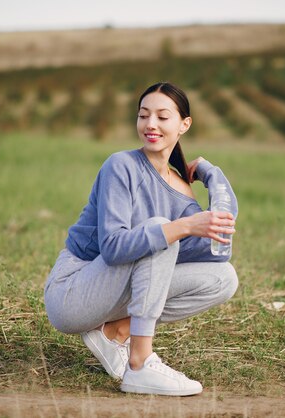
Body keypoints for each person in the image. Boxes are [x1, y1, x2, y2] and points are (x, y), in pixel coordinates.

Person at [43, 82, 238, 396]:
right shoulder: (120, 166)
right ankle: (140, 363)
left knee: (224, 278)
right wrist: (182, 227)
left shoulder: (183, 194)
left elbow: (219, 248)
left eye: (162, 117)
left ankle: (117, 332)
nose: (151, 124)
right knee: (162, 230)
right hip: (74, 291)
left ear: (184, 124)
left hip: (112, 293)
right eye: (144, 115)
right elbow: (113, 248)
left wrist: (210, 173)